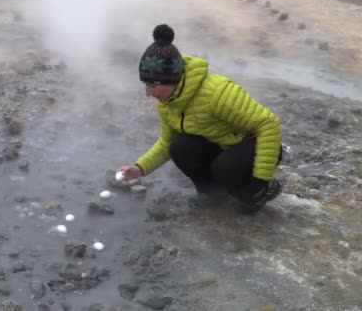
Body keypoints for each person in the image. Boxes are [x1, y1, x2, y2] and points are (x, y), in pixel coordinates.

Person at [119, 24, 283, 214]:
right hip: (223, 147)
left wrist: (261, 178)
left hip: (251, 145)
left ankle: (264, 189)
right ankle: (213, 193)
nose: (147, 93)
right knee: (179, 146)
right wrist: (139, 169)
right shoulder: (168, 103)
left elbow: (268, 124)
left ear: (171, 79)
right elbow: (166, 142)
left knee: (228, 172)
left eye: (151, 86)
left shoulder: (216, 93)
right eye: (145, 85)